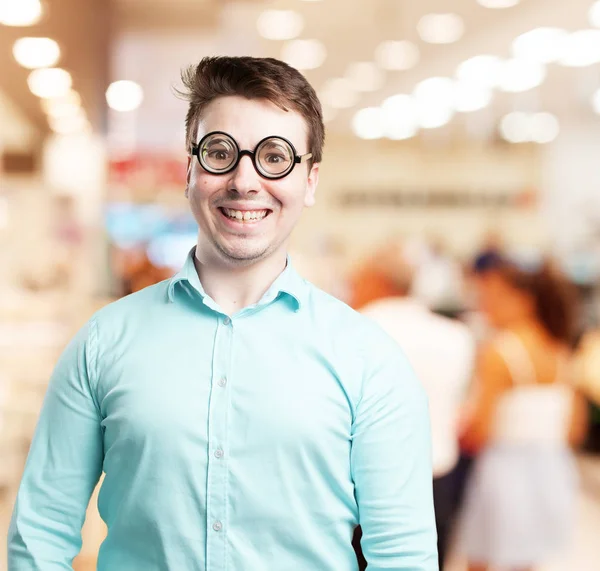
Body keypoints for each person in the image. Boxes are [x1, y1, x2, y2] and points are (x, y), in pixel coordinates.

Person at [8, 56, 438, 571]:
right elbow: (41, 534)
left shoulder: (368, 358)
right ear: (189, 167)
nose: (244, 180)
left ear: (311, 179)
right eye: (220, 152)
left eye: (275, 157)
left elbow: (404, 557)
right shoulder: (103, 341)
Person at [457, 252, 588, 571]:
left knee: (482, 557)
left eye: (494, 297)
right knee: (525, 561)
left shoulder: (500, 352)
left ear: (524, 300)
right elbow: (574, 428)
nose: (485, 305)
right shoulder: (558, 350)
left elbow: (481, 429)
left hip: (504, 471)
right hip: (553, 470)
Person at [359, 242, 475, 570]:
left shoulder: (356, 328)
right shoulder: (456, 335)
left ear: (379, 282)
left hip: (371, 483)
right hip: (438, 476)